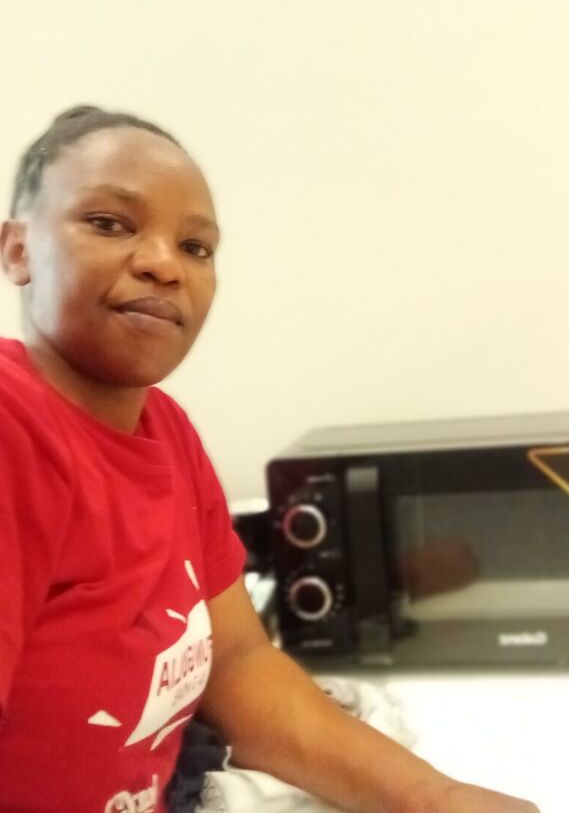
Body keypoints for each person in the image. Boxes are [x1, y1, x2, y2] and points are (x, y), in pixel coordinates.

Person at [0, 105, 539, 813]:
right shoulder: (14, 426)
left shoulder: (167, 431)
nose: (164, 263)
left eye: (196, 246)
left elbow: (238, 663)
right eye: (109, 223)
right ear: (17, 250)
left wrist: (433, 796)